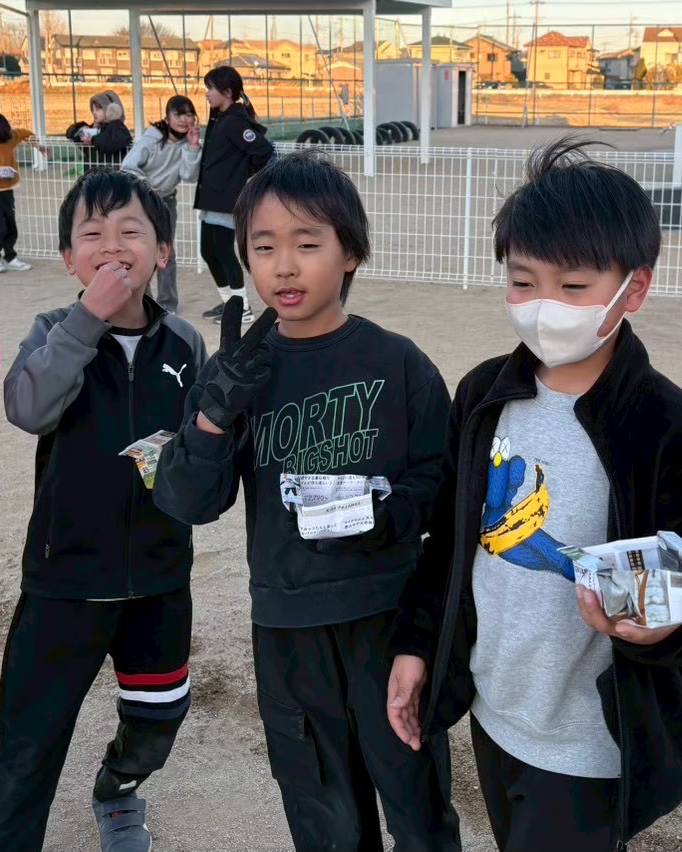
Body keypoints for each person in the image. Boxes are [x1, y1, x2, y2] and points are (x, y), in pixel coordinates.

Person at [385, 139, 682, 852]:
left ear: (633, 289)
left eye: (574, 287)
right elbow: (450, 542)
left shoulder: (669, 424)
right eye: (524, 282)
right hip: (495, 709)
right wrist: (417, 645)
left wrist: (662, 625)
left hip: (591, 739)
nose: (545, 307)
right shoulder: (483, 394)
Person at [154, 151, 460, 852]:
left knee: (418, 807)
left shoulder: (398, 363)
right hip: (288, 627)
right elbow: (187, 501)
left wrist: (385, 513)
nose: (284, 268)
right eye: (264, 248)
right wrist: (212, 417)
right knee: (324, 817)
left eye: (307, 244)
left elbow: (440, 482)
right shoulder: (238, 371)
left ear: (350, 253)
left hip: (384, 618)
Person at [0, 169, 208, 852]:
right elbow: (27, 408)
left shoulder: (184, 343)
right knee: (29, 744)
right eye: (92, 234)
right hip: (65, 580)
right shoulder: (55, 330)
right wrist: (88, 321)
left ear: (162, 251)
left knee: (158, 717)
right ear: (69, 259)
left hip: (160, 579)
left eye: (131, 231)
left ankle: (119, 786)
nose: (112, 246)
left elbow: (199, 448)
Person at [194, 65, 272, 324]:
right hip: (211, 197)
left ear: (227, 92)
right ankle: (229, 303)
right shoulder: (220, 118)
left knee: (224, 252)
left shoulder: (236, 122)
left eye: (210, 89)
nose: (207, 94)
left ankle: (243, 309)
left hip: (226, 199)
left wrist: (240, 176)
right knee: (208, 251)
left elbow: (263, 151)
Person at [122, 95, 203, 313]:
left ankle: (168, 303)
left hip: (167, 202)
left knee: (166, 251)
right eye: (179, 114)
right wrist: (146, 186)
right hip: (142, 201)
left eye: (189, 114)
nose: (184, 119)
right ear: (167, 118)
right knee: (142, 249)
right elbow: (128, 165)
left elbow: (189, 176)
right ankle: (143, 299)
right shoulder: (153, 138)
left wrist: (193, 147)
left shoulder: (189, 143)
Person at [0, 111, 50, 274]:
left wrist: (38, 146)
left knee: (11, 226)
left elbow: (25, 133)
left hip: (8, 190)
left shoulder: (9, 139)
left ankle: (10, 257)